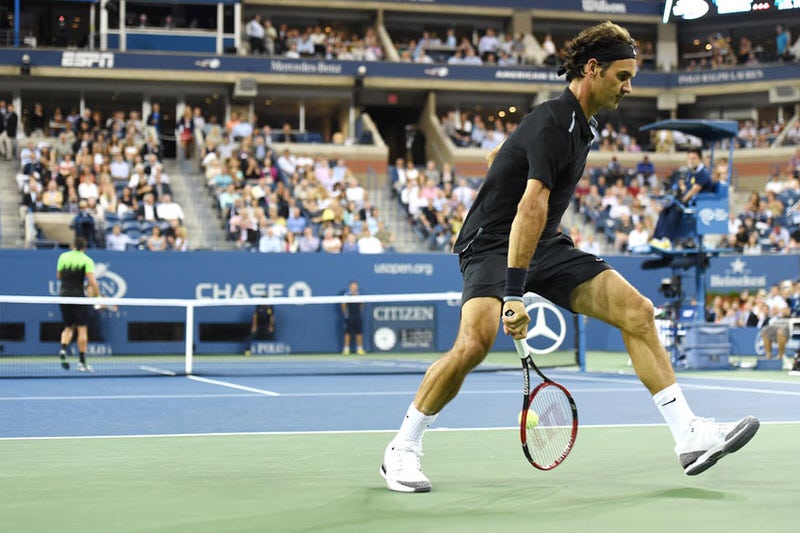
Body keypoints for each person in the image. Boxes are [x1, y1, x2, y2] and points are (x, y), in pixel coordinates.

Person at [379, 21, 760, 493]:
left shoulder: (583, 125)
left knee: (637, 312)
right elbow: (529, 207)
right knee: (475, 342)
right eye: (622, 76)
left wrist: (506, 166)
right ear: (593, 69)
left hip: (543, 241)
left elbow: (508, 160)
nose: (629, 86)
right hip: (494, 241)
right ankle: (402, 448)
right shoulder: (555, 123)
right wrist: (513, 294)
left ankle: (689, 435)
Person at [649, 148, 714, 250]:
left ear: (700, 159)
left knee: (675, 208)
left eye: (693, 158)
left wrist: (680, 201)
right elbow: (685, 189)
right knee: (666, 209)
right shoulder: (691, 173)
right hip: (688, 202)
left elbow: (693, 191)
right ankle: (657, 238)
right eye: (689, 159)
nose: (691, 161)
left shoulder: (703, 174)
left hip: (699, 205)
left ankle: (667, 240)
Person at [57, 237, 101, 372]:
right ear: (84, 247)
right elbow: (92, 281)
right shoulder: (87, 260)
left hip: (63, 296)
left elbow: (59, 276)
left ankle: (64, 350)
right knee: (82, 329)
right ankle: (82, 362)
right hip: (78, 297)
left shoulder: (63, 257)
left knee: (68, 327)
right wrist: (97, 296)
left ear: (73, 246)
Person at [341, 280, 365, 355]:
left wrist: (359, 312)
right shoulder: (346, 295)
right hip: (349, 317)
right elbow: (343, 305)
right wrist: (346, 314)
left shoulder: (359, 295)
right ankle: (346, 349)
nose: (354, 287)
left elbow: (361, 305)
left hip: (357, 317)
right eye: (353, 286)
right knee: (347, 333)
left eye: (355, 286)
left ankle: (360, 349)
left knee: (359, 332)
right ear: (350, 287)